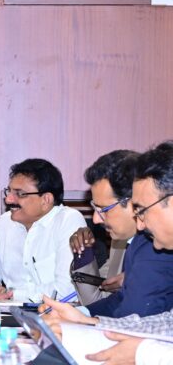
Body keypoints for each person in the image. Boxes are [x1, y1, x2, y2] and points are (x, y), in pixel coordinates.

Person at [42, 141, 173, 364]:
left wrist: (143, 352)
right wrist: (85, 320)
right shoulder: (142, 243)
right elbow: (165, 324)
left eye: (141, 210)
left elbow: (141, 318)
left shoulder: (151, 248)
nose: (140, 224)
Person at [69, 149, 173, 317]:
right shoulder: (137, 242)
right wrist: (79, 314)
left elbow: (135, 318)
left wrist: (85, 320)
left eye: (103, 209)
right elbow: (122, 300)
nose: (95, 219)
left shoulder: (154, 246)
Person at [0, 158, 86, 302]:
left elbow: (67, 291)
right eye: (9, 191)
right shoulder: (2, 223)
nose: (8, 200)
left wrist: (12, 295)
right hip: (8, 312)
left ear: (46, 199)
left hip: (57, 313)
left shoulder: (68, 220)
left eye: (20, 194)